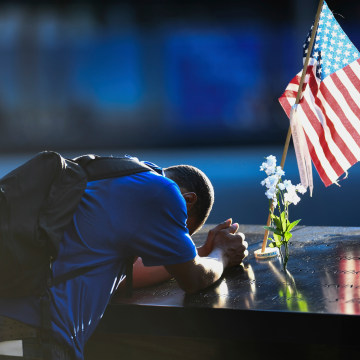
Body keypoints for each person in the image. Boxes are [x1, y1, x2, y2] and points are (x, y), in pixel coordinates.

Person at [0, 157, 248, 360]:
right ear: (189, 199)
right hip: (36, 339)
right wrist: (222, 254)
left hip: (10, 335)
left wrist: (201, 253)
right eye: (182, 230)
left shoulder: (111, 175)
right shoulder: (163, 193)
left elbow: (129, 276)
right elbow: (193, 279)